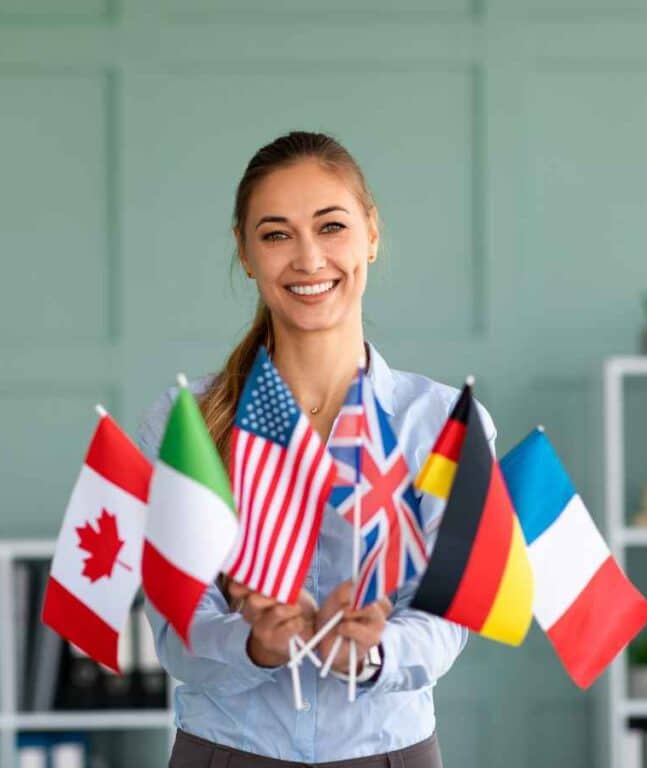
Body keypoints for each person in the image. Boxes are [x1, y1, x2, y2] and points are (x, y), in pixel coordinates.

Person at [133, 130, 497, 768]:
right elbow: (174, 628)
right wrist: (254, 645)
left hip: (389, 754)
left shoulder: (445, 422)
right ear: (246, 254)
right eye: (276, 234)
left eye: (331, 227)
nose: (308, 258)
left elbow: (452, 613)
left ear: (372, 234)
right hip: (226, 753)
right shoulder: (185, 422)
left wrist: (375, 652)